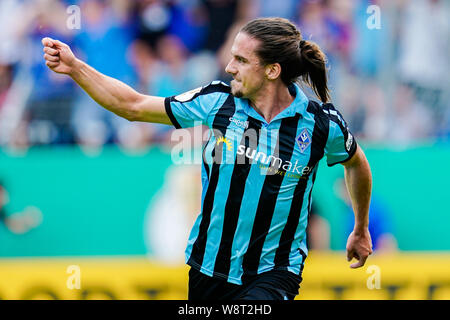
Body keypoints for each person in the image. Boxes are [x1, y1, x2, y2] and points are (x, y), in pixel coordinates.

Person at [41, 17, 373, 300]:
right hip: (208, 266)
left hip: (275, 271)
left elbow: (356, 163)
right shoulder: (217, 102)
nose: (230, 67)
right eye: (232, 57)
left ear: (273, 70)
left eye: (242, 60)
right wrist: (75, 68)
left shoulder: (319, 124)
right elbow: (133, 106)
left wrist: (360, 228)